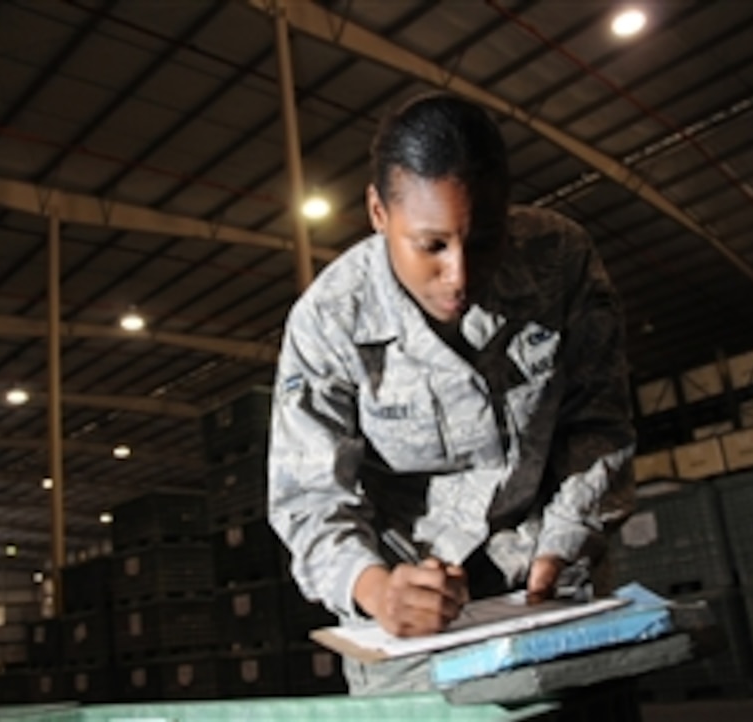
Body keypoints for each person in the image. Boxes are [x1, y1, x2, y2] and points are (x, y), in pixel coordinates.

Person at [268, 92, 636, 695]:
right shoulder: (328, 321)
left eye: (483, 239)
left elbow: (598, 423)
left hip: (547, 573)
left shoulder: (560, 260)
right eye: (431, 246)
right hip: (407, 602)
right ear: (379, 213)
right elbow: (308, 499)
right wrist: (377, 589)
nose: (459, 274)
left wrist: (562, 550)